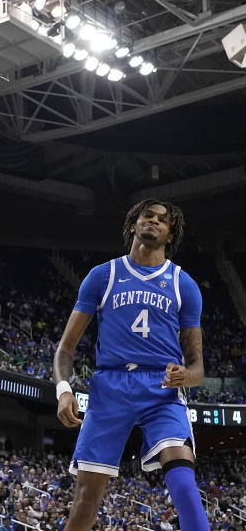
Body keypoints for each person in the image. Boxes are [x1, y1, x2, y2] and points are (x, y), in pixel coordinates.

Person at [53, 199, 209, 531]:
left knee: (184, 487)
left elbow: (197, 368)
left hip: (162, 390)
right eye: (147, 216)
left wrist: (185, 376)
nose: (153, 221)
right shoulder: (102, 275)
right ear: (133, 224)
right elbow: (66, 348)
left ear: (170, 234)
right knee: (84, 502)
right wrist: (64, 390)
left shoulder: (184, 284)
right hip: (109, 387)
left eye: (162, 220)